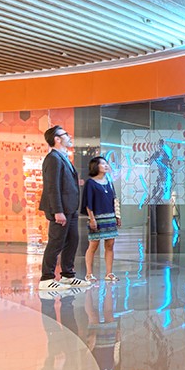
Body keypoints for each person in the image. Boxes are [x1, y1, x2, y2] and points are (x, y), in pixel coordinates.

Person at [38, 125, 86, 293]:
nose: (69, 136)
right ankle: (47, 278)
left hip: (70, 208)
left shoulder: (62, 157)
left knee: (72, 241)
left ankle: (68, 275)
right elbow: (52, 187)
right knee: (56, 242)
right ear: (57, 139)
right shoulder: (53, 158)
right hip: (61, 209)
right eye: (65, 134)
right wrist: (58, 211)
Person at [81, 156, 119, 282]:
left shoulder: (109, 182)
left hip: (110, 217)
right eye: (102, 163)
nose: (106, 165)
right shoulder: (90, 183)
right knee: (93, 245)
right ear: (95, 166)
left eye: (106, 163)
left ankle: (109, 273)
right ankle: (89, 274)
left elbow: (114, 199)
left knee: (110, 245)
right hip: (97, 218)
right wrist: (92, 219)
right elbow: (88, 203)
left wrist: (117, 215)